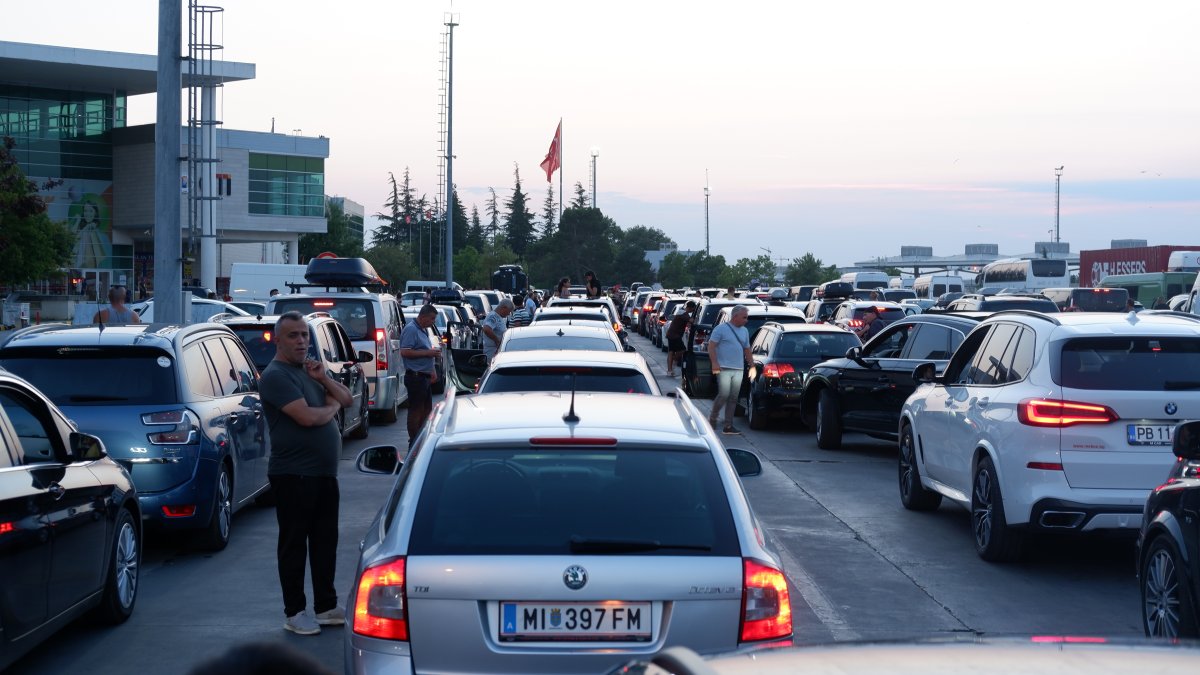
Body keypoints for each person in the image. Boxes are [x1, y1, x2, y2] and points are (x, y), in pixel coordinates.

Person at [259, 311, 354, 636]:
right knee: (294, 544)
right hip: (294, 475)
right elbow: (308, 418)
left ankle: (326, 606)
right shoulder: (276, 375)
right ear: (279, 339)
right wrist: (330, 410)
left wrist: (324, 378)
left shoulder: (309, 371)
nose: (301, 341)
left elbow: (347, 398)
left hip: (324, 474)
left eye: (304, 335)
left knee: (326, 541)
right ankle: (294, 611)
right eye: (293, 336)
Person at [399, 304, 440, 448]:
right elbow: (405, 352)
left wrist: (432, 369)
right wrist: (428, 353)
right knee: (416, 410)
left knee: (426, 410)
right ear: (423, 317)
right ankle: (414, 441)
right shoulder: (411, 330)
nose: (433, 322)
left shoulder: (422, 330)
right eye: (432, 318)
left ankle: (421, 439)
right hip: (416, 377)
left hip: (424, 376)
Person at [707, 305, 751, 434]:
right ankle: (713, 418)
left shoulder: (745, 331)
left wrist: (752, 365)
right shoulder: (720, 329)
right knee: (724, 394)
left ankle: (728, 425)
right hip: (723, 367)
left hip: (739, 368)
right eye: (744, 317)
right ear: (735, 316)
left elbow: (747, 349)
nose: (746, 320)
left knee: (733, 398)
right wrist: (714, 363)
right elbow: (711, 346)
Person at [665, 300, 695, 377]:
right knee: (682, 350)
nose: (693, 310)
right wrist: (693, 318)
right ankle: (674, 361)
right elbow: (691, 321)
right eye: (693, 309)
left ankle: (669, 370)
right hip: (675, 335)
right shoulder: (684, 314)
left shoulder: (680, 312)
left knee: (671, 351)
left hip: (671, 334)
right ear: (690, 308)